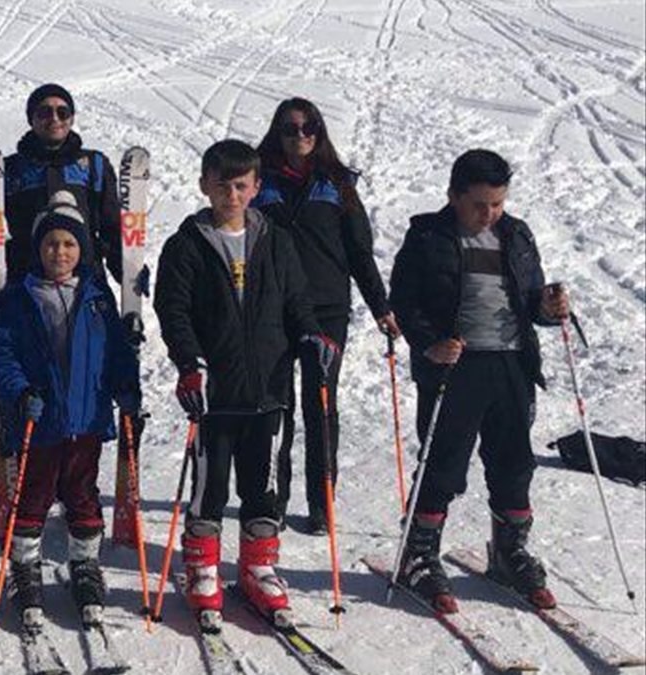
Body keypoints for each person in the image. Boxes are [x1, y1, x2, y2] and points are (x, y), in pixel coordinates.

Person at [154, 140, 334, 631]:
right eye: (222, 184)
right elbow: (174, 311)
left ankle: (257, 566)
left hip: (269, 388)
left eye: (241, 185)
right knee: (210, 484)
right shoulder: (187, 243)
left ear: (256, 188)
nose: (231, 194)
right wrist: (189, 363)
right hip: (216, 393)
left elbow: (297, 299)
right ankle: (203, 567)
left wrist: (310, 335)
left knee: (263, 484)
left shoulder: (274, 239)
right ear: (204, 185)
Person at [388, 149, 568, 614]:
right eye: (479, 205)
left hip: (511, 363)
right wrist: (429, 342)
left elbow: (530, 299)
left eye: (498, 204)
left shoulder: (516, 234)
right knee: (444, 461)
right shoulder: (428, 236)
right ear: (454, 196)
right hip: (456, 366)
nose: (489, 214)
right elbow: (404, 302)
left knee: (513, 461)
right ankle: (420, 553)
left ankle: (509, 551)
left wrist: (548, 309)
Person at [0, 210, 140, 630]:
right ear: (38, 248)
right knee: (33, 495)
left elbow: (116, 350)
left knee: (82, 493)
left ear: (81, 250)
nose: (60, 252)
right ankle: (26, 568)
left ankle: (85, 565)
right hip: (41, 417)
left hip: (86, 415)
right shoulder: (20, 296)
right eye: (52, 243)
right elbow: (2, 352)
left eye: (69, 244)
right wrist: (19, 391)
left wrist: (126, 386)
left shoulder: (95, 295)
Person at [254, 97, 399, 535]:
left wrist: (382, 307)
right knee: (276, 405)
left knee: (321, 405)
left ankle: (322, 503)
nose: (299, 135)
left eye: (308, 127)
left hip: (326, 310)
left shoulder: (337, 184)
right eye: (289, 128)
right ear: (276, 133)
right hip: (274, 308)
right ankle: (271, 499)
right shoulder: (259, 182)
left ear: (319, 132)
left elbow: (359, 252)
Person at [0, 82, 123, 286]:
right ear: (31, 119)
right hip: (25, 280)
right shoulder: (8, 170)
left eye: (63, 112)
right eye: (44, 112)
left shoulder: (94, 165)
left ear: (72, 118)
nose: (55, 119)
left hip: (85, 280)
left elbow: (113, 227)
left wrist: (126, 271)